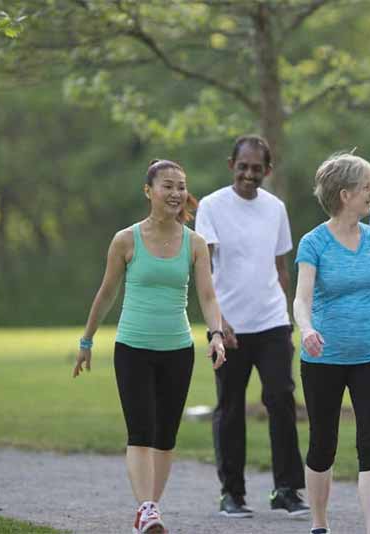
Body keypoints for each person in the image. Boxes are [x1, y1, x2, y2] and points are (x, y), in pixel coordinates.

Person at [73, 159, 227, 534]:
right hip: (133, 348)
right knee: (141, 430)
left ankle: (149, 510)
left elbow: (207, 295)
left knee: (165, 436)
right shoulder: (126, 239)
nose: (175, 193)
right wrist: (87, 341)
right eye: (167, 186)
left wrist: (217, 334)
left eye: (180, 186)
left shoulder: (194, 243)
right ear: (148, 191)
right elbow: (106, 293)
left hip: (177, 350)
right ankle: (147, 509)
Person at [194, 135, 308, 518]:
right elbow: (204, 271)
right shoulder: (211, 206)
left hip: (272, 322)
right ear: (232, 165)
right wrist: (217, 324)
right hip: (229, 327)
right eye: (242, 166)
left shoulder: (275, 208)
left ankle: (287, 489)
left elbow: (281, 268)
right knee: (229, 407)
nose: (248, 174)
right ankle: (232, 493)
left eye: (256, 168)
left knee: (281, 400)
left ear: (267, 171)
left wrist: (286, 311)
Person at [294, 152, 370, 534]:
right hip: (324, 358)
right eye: (367, 187)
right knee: (323, 442)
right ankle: (319, 524)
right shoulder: (314, 242)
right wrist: (306, 329)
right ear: (345, 194)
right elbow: (301, 299)